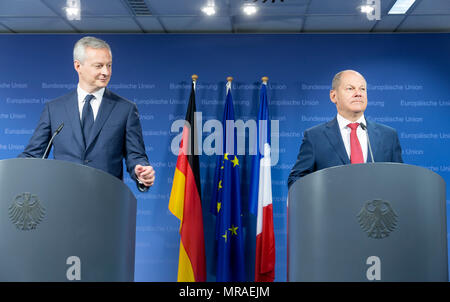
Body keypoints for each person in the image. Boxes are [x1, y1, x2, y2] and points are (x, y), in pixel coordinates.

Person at [19, 36, 155, 191]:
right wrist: (10, 172)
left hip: (107, 200)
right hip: (63, 201)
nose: (106, 72)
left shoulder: (126, 109)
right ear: (78, 66)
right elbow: (33, 155)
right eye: (99, 66)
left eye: (109, 65)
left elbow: (136, 155)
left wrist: (141, 171)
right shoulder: (54, 109)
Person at [288, 70, 403, 189]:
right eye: (350, 88)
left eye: (362, 89)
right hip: (332, 206)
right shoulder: (314, 137)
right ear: (333, 96)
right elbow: (296, 180)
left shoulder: (389, 136)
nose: (358, 93)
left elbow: (400, 180)